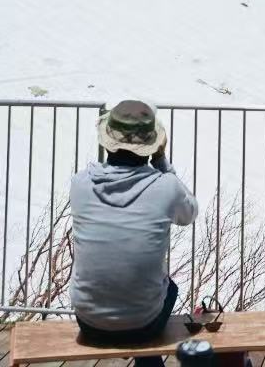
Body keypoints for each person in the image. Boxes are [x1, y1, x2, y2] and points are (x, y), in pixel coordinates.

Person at [71, 100, 199, 367]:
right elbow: (189, 213)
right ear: (152, 145)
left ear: (108, 142)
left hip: (89, 321)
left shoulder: (80, 183)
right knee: (166, 289)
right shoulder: (165, 186)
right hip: (143, 324)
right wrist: (162, 162)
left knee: (141, 293)